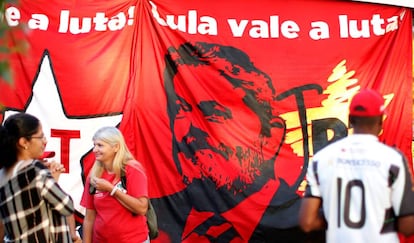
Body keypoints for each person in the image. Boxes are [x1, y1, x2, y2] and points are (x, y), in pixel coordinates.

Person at [157, 42, 307, 242]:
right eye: (181, 110)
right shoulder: (154, 216)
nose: (190, 129)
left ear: (271, 137)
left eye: (213, 113)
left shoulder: (305, 223)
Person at [299, 89, 414, 242]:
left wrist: (333, 218)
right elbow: (408, 226)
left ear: (350, 120)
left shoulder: (321, 159)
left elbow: (307, 222)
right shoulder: (393, 159)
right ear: (380, 121)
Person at [0, 112, 74, 242]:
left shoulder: (3, 173)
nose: (45, 141)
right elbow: (66, 206)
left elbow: (34, 208)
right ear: (24, 142)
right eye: (40, 137)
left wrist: (51, 179)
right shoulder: (35, 170)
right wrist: (49, 179)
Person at [80, 126, 149, 243]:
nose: (94, 150)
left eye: (100, 145)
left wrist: (112, 190)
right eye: (94, 145)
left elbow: (142, 208)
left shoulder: (132, 169)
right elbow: (89, 218)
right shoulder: (94, 175)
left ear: (116, 147)